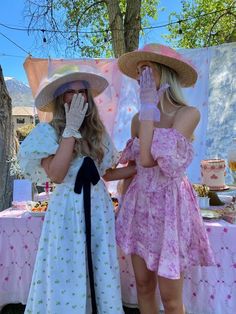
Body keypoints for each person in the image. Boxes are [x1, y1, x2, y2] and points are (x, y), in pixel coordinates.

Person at [19, 64, 136, 314]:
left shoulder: (97, 133)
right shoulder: (47, 132)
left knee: (99, 266)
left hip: (97, 209)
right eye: (71, 92)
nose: (79, 96)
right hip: (67, 213)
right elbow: (57, 174)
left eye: (83, 91)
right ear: (61, 98)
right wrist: (70, 130)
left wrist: (140, 168)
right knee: (67, 269)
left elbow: (106, 173)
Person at [116, 43, 215, 314]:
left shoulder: (187, 114)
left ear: (164, 71)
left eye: (146, 69)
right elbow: (137, 166)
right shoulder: (138, 119)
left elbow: (150, 158)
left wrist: (149, 110)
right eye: (138, 72)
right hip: (139, 208)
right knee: (144, 287)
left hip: (170, 209)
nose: (140, 77)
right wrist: (119, 198)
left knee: (171, 299)